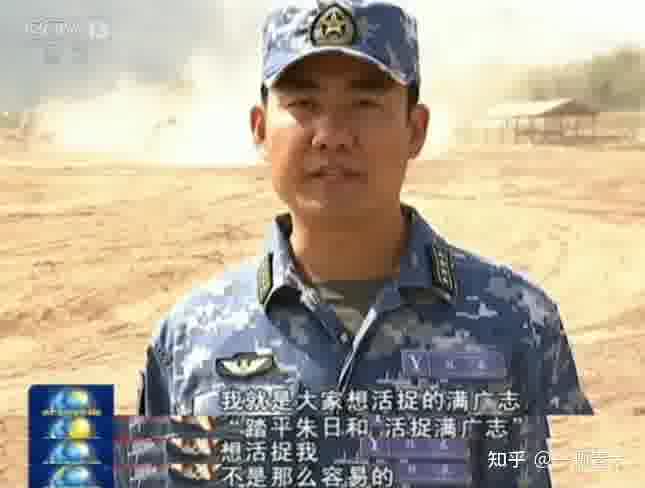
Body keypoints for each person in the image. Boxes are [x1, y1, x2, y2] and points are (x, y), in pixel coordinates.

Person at [138, 1, 593, 486]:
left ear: (415, 130)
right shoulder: (187, 341)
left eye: (365, 104)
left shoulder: (517, 322)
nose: (332, 137)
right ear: (260, 129)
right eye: (304, 104)